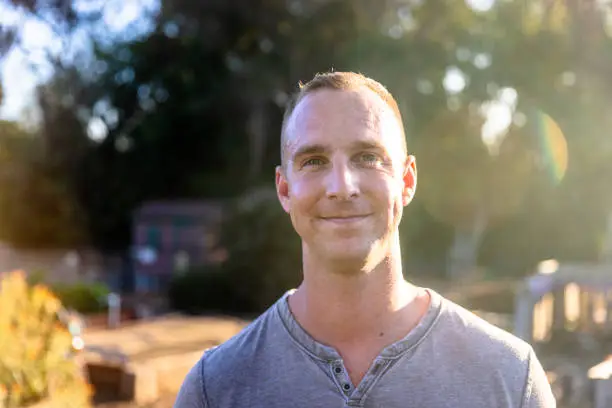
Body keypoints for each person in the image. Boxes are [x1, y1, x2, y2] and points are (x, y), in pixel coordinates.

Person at [174, 71, 556, 407]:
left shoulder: (509, 379)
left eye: (367, 157)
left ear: (406, 181)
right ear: (285, 189)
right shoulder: (215, 389)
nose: (342, 186)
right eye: (314, 161)